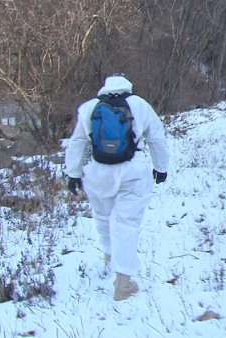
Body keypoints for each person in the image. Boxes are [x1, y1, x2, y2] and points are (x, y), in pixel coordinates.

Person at [64, 73, 169, 301]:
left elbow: (77, 142)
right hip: (133, 171)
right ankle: (123, 281)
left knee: (103, 217)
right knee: (126, 223)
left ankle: (110, 256)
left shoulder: (89, 108)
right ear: (128, 87)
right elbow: (157, 138)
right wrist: (161, 168)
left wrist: (72, 173)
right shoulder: (139, 105)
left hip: (98, 173)